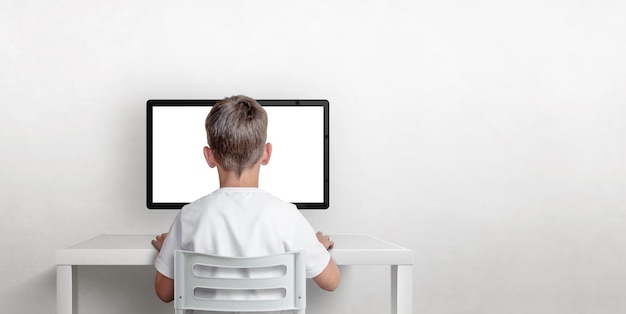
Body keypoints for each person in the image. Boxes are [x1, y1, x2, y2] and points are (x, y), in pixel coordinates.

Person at [151, 95, 340, 305]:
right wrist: (317, 247)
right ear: (266, 153)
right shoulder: (287, 216)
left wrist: (168, 248)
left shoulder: (190, 216)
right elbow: (331, 281)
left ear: (209, 156)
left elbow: (164, 292)